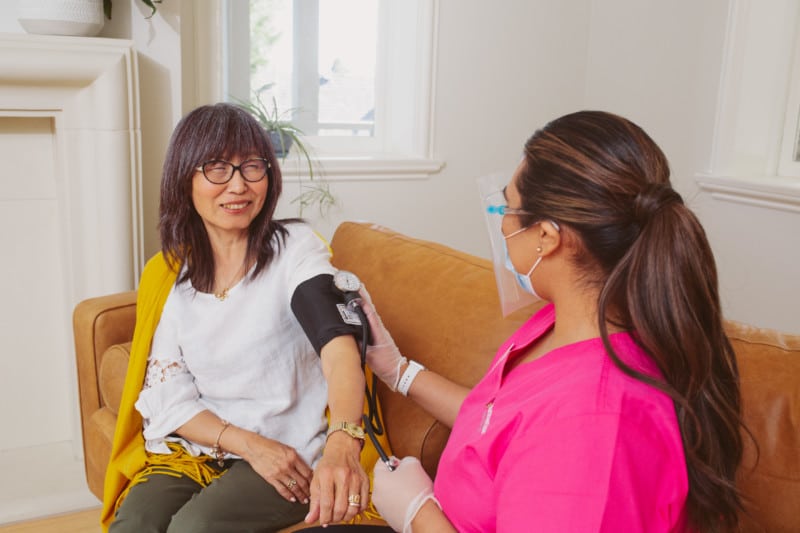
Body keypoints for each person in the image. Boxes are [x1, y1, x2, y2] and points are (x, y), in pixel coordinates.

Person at [363, 111, 746, 532]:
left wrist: (418, 515)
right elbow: (498, 424)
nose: (503, 220)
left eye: (508, 206)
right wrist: (398, 371)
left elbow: (556, 437)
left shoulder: (597, 424)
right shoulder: (560, 323)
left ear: (546, 235)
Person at [103, 102, 370, 532]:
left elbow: (338, 345)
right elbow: (170, 397)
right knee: (133, 523)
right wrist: (246, 443)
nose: (239, 185)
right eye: (216, 168)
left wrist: (343, 440)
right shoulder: (173, 274)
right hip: (203, 450)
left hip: (290, 453)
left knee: (194, 528)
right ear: (184, 178)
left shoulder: (296, 252)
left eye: (252, 166)